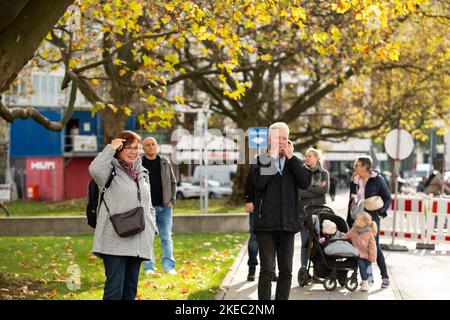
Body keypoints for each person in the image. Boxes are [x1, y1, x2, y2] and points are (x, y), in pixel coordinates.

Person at [88, 130, 157, 300]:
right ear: (119, 149)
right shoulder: (108, 170)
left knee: (130, 290)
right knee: (115, 289)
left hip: (139, 239)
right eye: (128, 147)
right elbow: (94, 168)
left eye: (136, 147)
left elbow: (148, 204)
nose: (134, 151)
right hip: (114, 239)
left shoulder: (141, 172)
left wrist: (152, 225)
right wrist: (111, 147)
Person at [251, 122, 311, 300]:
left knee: (286, 271)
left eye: (285, 138)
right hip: (266, 224)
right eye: (279, 138)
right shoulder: (261, 160)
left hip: (288, 224)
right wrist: (271, 158)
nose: (283, 141)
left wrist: (292, 159)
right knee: (267, 270)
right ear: (270, 139)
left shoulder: (293, 161)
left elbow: (305, 182)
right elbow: (259, 184)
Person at [347, 155, 391, 289]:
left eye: (357, 165)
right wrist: (349, 219)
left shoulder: (378, 180)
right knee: (359, 249)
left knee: (374, 248)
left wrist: (381, 211)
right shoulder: (354, 181)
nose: (355, 168)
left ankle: (385, 277)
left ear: (366, 167)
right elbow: (351, 201)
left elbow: (387, 197)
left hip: (371, 220)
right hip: (357, 219)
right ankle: (366, 280)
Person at [142, 137, 178, 275]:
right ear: (143, 148)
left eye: (153, 144)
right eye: (147, 145)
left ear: (156, 146)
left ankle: (169, 266)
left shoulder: (165, 162)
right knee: (148, 237)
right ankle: (149, 267)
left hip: (165, 207)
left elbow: (173, 182)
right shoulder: (139, 163)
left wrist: (172, 199)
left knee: (166, 237)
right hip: (147, 208)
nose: (151, 147)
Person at [298, 148, 329, 270]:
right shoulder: (301, 173)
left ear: (317, 158)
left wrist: (308, 189)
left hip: (320, 212)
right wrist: (316, 189)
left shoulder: (324, 173)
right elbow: (299, 192)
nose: (306, 158)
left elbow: (324, 190)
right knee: (305, 243)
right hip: (304, 212)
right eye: (305, 156)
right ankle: (303, 269)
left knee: (318, 243)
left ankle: (318, 270)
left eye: (309, 156)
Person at [244, 168, 277, 282]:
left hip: (273, 209)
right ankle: (252, 269)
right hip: (257, 207)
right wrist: (248, 200)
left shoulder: (279, 163)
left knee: (274, 238)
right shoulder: (258, 162)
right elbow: (249, 182)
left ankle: (272, 270)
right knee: (254, 238)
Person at [341, 211, 377, 292]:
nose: (355, 220)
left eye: (357, 219)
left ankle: (369, 280)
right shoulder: (353, 231)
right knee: (362, 266)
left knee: (368, 269)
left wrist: (372, 257)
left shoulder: (369, 233)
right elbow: (345, 236)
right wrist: (338, 236)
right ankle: (365, 282)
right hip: (358, 255)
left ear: (363, 222)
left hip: (368, 255)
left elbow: (373, 247)